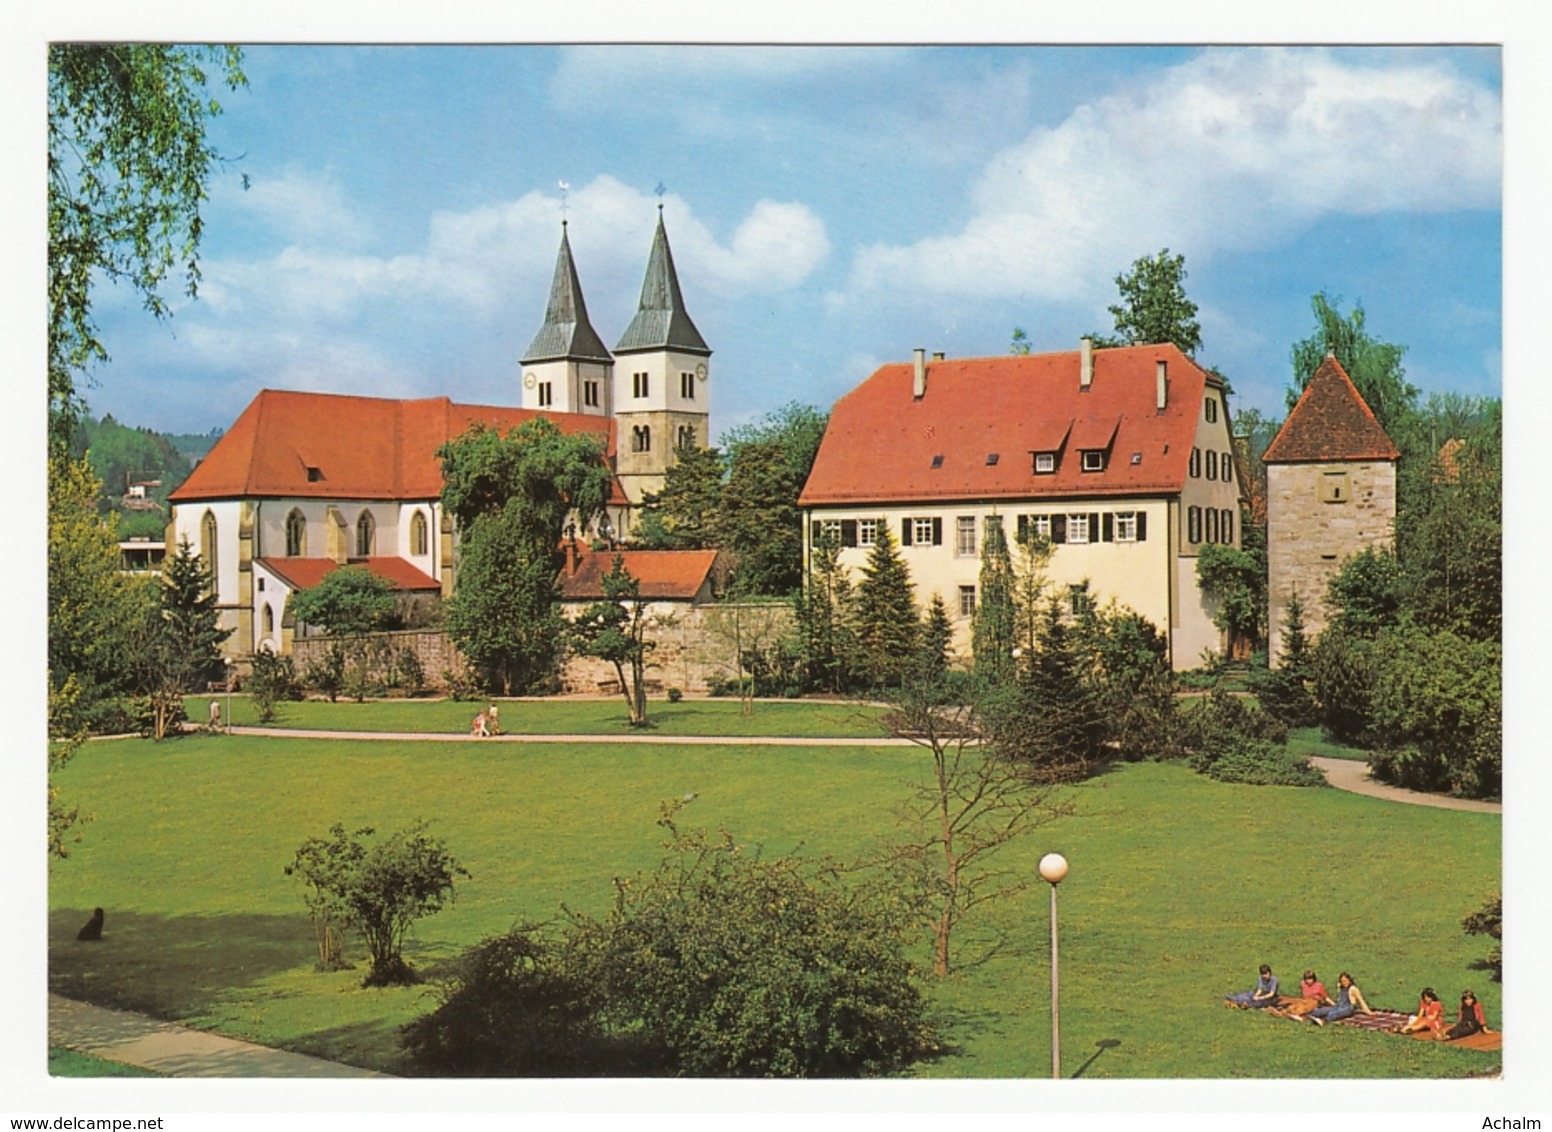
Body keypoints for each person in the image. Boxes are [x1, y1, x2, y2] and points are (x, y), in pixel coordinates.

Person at [1304, 971, 1374, 1026]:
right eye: (1342, 981)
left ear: (1349, 980)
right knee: (1322, 1010)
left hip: (1348, 1007)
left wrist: (1368, 1012)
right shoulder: (1341, 988)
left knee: (1334, 1013)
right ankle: (1306, 1017)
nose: (1344, 983)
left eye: (1345, 981)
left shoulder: (1353, 989)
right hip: (1339, 1005)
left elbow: (1361, 1001)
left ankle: (1323, 1021)